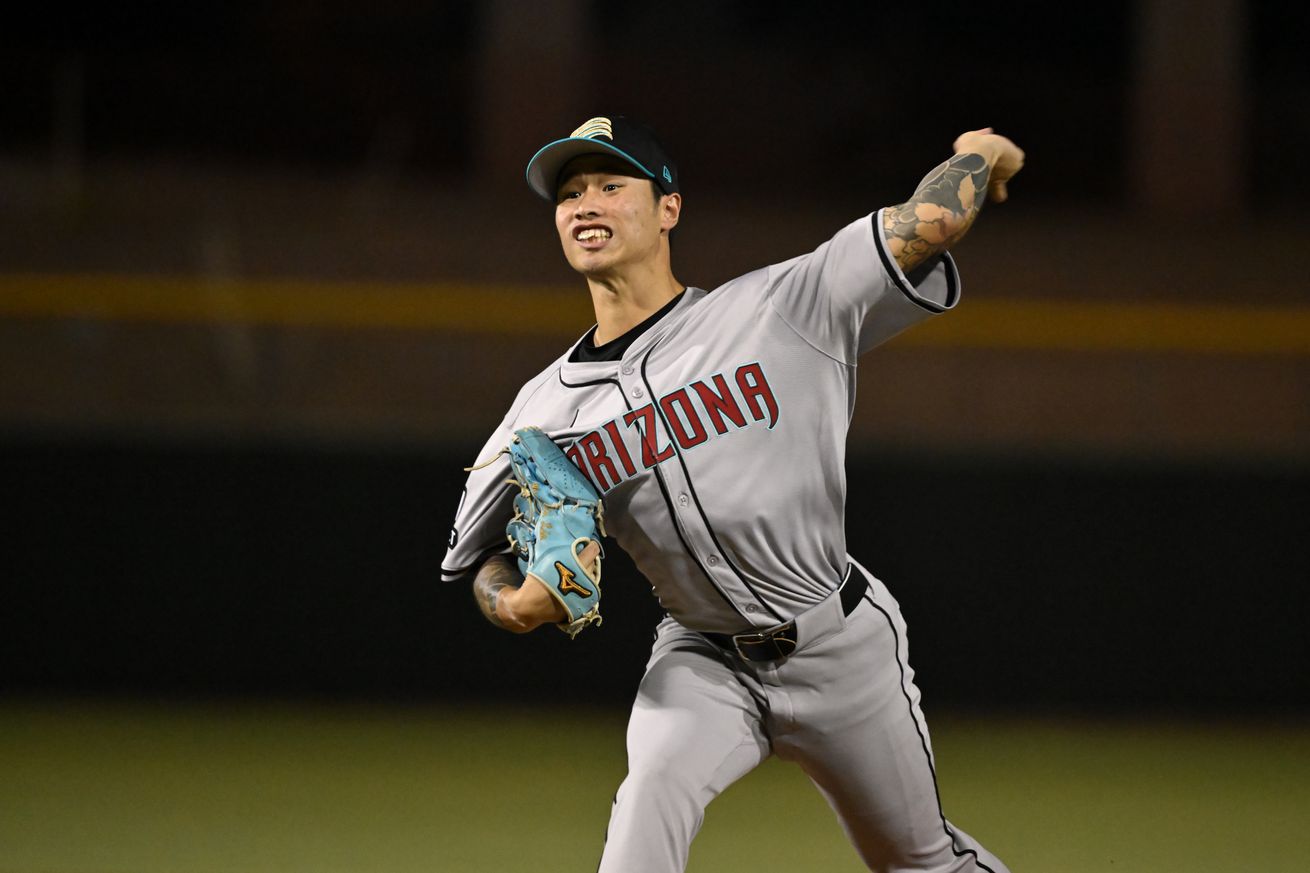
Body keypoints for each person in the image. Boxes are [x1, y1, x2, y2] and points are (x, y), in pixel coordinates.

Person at [442, 114, 1022, 873]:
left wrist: (978, 153)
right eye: (569, 193)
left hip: (839, 643)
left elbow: (934, 219)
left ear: (668, 208)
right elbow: (475, 553)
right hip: (701, 659)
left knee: (918, 860)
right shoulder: (542, 409)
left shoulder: (778, 309)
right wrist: (511, 602)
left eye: (611, 185)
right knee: (639, 835)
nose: (584, 203)